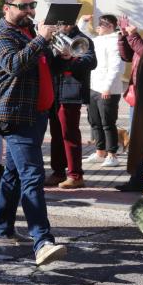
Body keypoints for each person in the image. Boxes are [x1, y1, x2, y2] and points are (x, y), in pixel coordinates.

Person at [0, 0, 67, 266]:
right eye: (23, 6)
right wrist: (42, 39)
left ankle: (2, 229)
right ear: (7, 8)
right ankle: (42, 241)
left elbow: (41, 66)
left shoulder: (29, 33)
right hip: (15, 115)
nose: (30, 10)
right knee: (32, 175)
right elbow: (14, 64)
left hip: (36, 114)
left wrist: (60, 54)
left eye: (32, 5)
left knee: (14, 175)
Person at [45, 21, 96, 189]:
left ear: (72, 24)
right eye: (58, 24)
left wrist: (71, 58)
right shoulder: (53, 39)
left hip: (71, 92)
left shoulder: (83, 39)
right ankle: (58, 172)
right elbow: (51, 65)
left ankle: (75, 175)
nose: (59, 27)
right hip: (54, 91)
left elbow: (90, 62)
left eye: (63, 24)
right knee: (56, 135)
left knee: (70, 135)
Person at [78, 14, 124, 168]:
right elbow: (82, 36)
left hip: (107, 90)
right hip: (94, 87)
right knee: (95, 122)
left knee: (108, 123)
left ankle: (112, 155)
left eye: (101, 24)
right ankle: (100, 152)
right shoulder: (98, 40)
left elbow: (116, 67)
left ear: (110, 26)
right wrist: (83, 21)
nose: (98, 26)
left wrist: (108, 87)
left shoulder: (115, 41)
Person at [118, 13, 143, 192]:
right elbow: (127, 56)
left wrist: (133, 36)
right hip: (138, 98)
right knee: (137, 140)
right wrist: (124, 36)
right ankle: (136, 179)